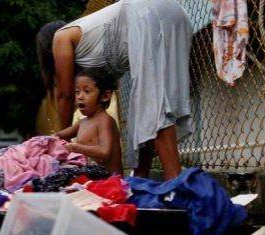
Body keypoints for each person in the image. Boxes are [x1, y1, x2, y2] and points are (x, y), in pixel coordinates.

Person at [36, 0, 192, 180]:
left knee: (153, 109)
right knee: (147, 109)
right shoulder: (91, 57)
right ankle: (140, 181)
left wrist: (63, 148)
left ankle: (175, 183)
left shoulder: (61, 38)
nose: (81, 95)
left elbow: (65, 95)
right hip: (176, 13)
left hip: (145, 13)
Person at [54, 67, 123, 175]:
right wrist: (48, 140)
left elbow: (105, 152)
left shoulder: (104, 121)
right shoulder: (82, 123)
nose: (80, 97)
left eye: (87, 91)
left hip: (110, 182)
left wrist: (76, 148)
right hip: (91, 180)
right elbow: (60, 135)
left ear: (105, 96)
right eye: (77, 92)